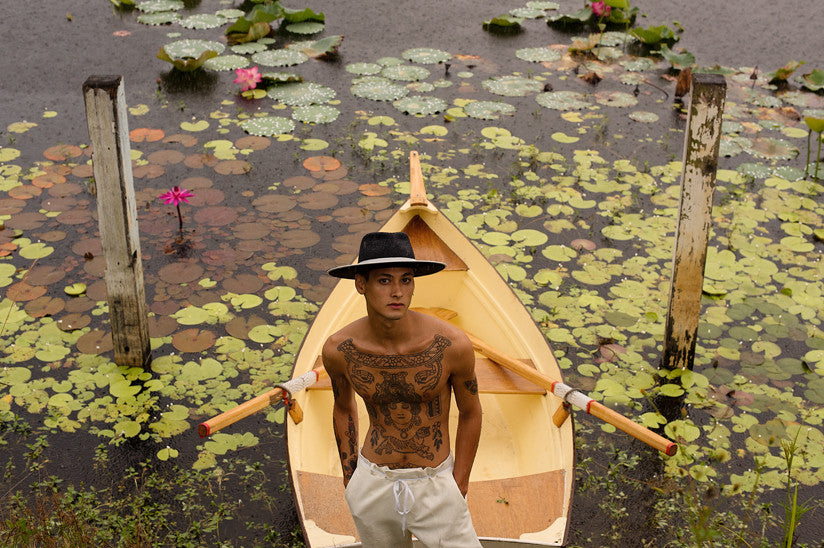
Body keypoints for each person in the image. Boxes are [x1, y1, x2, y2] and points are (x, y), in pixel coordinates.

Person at [322, 231, 483, 548]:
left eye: (406, 280)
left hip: (436, 482)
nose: (397, 292)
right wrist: (350, 477)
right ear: (361, 284)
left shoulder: (451, 345)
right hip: (373, 482)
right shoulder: (339, 349)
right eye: (384, 281)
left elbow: (471, 412)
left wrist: (459, 483)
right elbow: (343, 408)